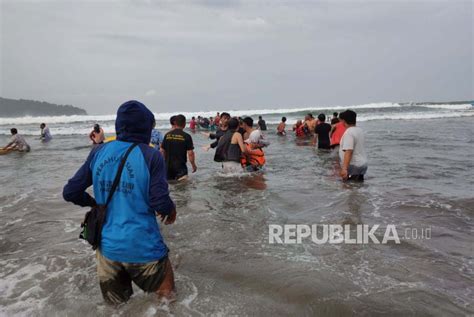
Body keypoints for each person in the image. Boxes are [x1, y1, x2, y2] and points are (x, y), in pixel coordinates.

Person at [63, 100, 177, 305]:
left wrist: (95, 204)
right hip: (143, 245)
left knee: (117, 309)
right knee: (168, 302)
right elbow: (159, 201)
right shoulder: (151, 155)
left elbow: (71, 191)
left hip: (107, 249)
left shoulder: (98, 151)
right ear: (145, 126)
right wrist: (171, 210)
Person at [161, 114, 197, 180]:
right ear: (184, 124)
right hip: (180, 167)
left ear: (175, 123)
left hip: (168, 168)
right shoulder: (186, 136)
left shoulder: (167, 135)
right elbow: (190, 153)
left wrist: (163, 164)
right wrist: (193, 165)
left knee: (170, 186)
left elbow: (162, 151)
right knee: (182, 187)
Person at [338, 110, 368, 181]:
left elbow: (349, 151)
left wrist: (344, 169)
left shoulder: (349, 132)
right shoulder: (359, 130)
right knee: (357, 187)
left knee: (349, 189)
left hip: (354, 166)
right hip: (362, 164)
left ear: (343, 121)